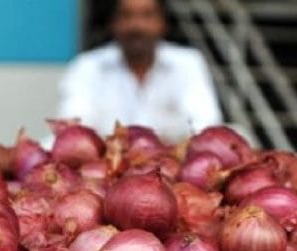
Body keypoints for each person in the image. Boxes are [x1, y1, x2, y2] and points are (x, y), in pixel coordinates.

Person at [57, 0, 222, 143]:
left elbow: (205, 124)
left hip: (172, 165)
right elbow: (74, 128)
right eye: (126, 15)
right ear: (113, 23)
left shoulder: (187, 63)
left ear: (162, 22)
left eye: (147, 15)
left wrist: (150, 148)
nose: (137, 25)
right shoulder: (87, 66)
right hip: (105, 166)